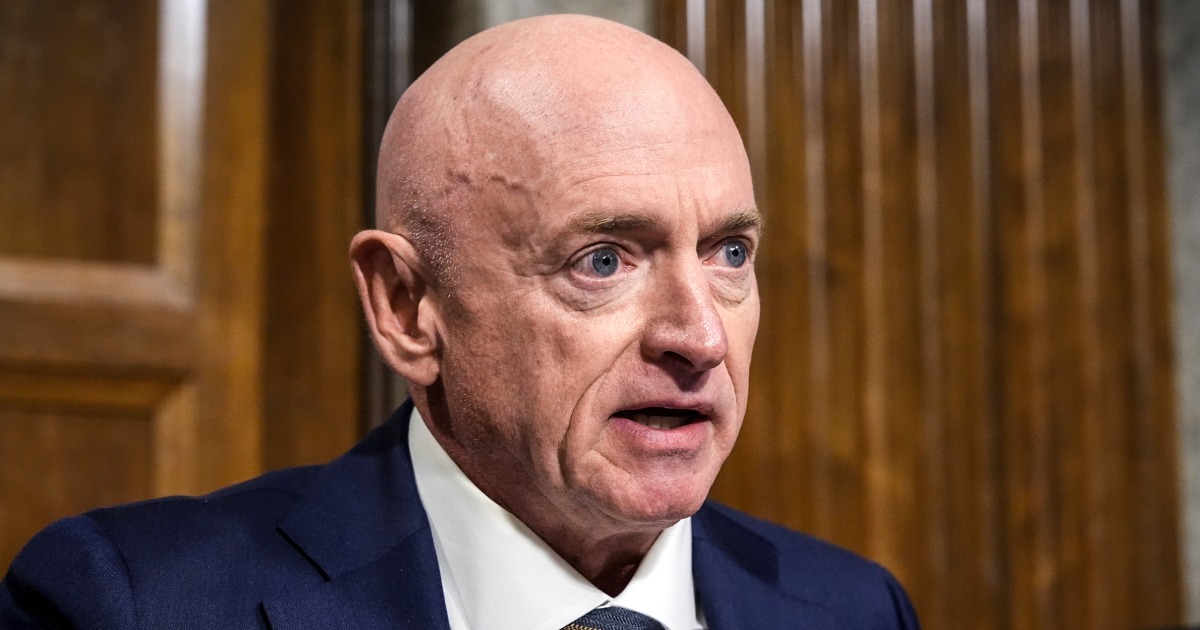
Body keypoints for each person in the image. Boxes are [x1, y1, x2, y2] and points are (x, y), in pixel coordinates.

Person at [0, 15, 918, 630]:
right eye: (603, 261)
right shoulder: (135, 605)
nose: (700, 338)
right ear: (407, 307)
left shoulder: (854, 609)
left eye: (729, 254)